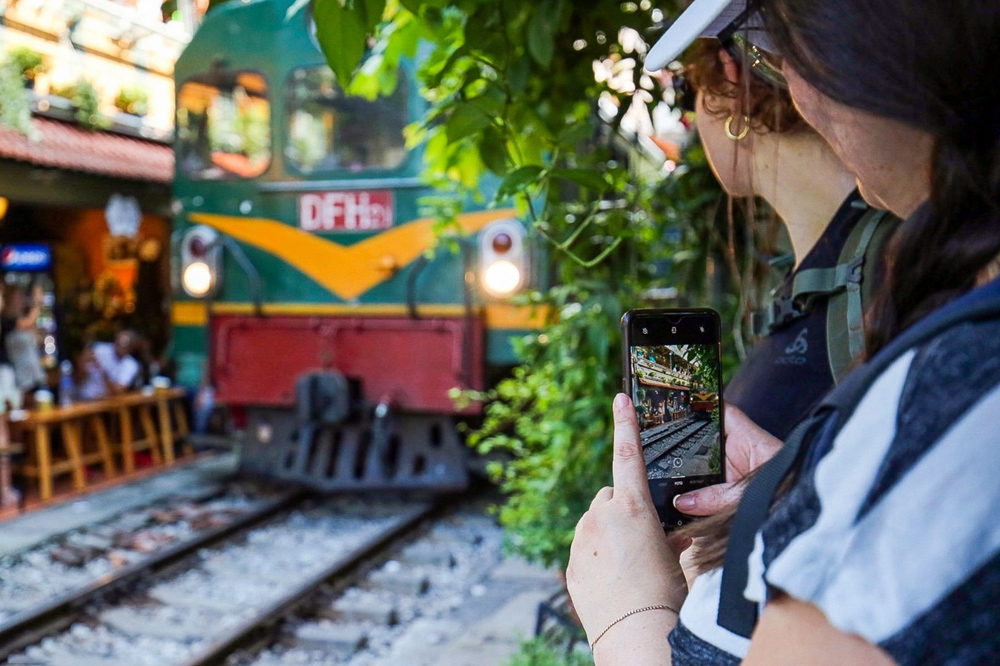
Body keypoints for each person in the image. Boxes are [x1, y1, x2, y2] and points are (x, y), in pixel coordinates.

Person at [567, 0, 1000, 664]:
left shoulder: (965, 388)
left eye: (782, 46)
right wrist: (807, 492)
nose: (797, 91)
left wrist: (628, 612)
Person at [77, 330, 141, 400]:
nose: (120, 345)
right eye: (119, 341)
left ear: (131, 348)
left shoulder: (131, 365)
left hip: (108, 403)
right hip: (86, 397)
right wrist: (84, 361)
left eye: (124, 344)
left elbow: (118, 392)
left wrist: (104, 373)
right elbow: (79, 372)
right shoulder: (100, 349)